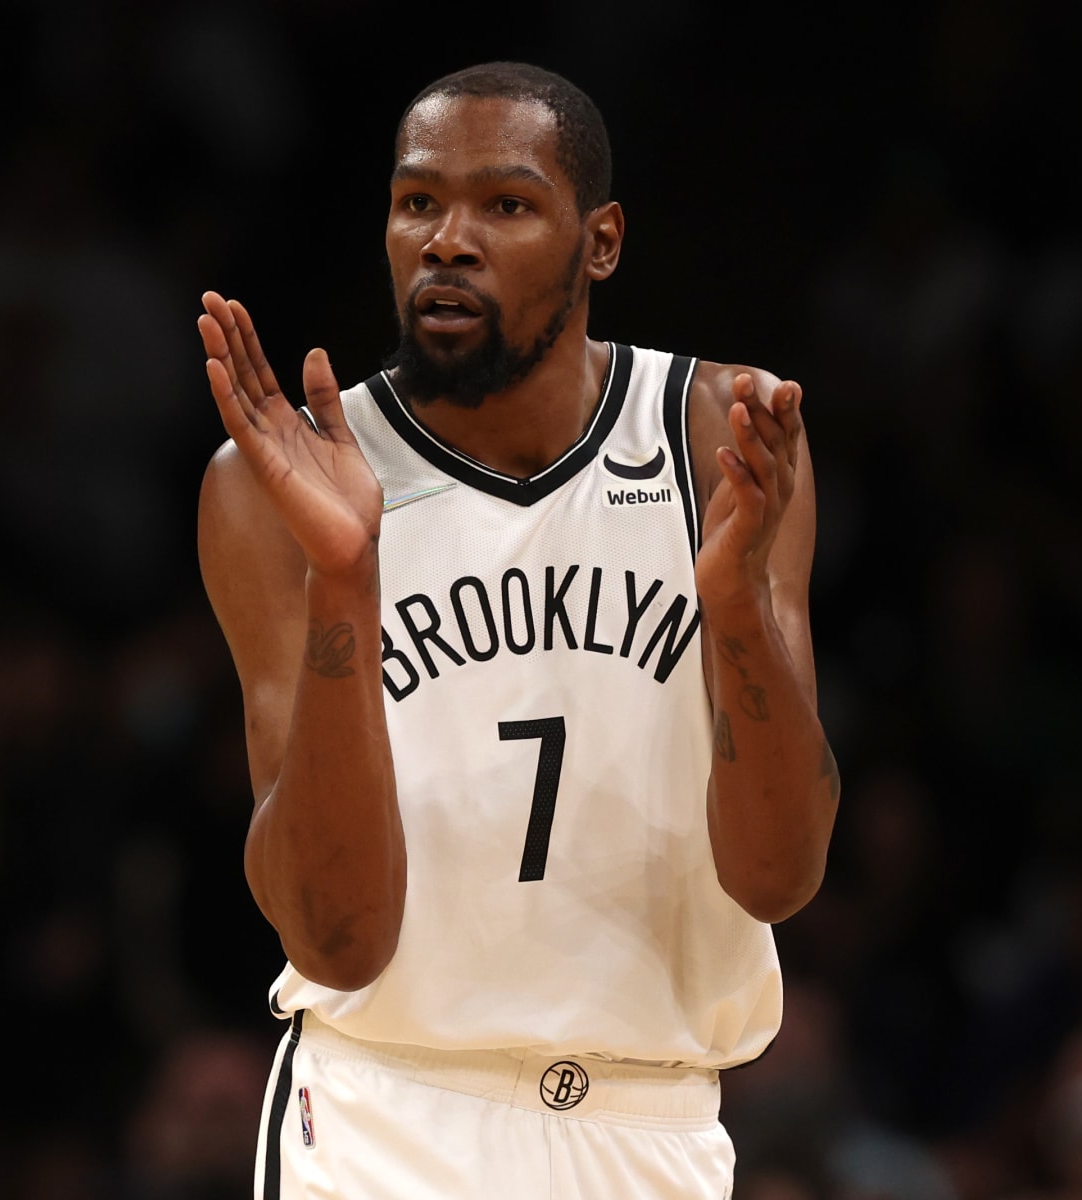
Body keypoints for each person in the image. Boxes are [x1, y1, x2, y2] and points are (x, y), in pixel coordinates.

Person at [196, 61, 839, 1200]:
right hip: (384, 1120)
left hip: (655, 1124)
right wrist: (348, 580)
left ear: (601, 242)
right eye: (416, 203)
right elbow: (334, 938)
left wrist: (733, 607)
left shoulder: (716, 435)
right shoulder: (273, 486)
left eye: (504, 204)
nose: (447, 239)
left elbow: (779, 876)